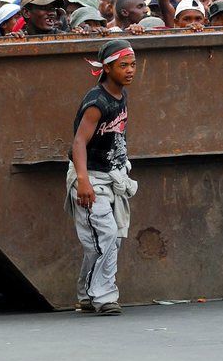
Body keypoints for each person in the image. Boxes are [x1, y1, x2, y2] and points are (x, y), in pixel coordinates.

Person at [66, 39, 138, 316]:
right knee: (104, 235)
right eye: (123, 65)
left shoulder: (121, 95)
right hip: (90, 177)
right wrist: (83, 181)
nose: (130, 70)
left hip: (112, 175)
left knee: (107, 238)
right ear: (107, 68)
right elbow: (78, 143)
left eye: (133, 65)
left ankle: (86, 294)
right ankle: (105, 296)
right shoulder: (97, 102)